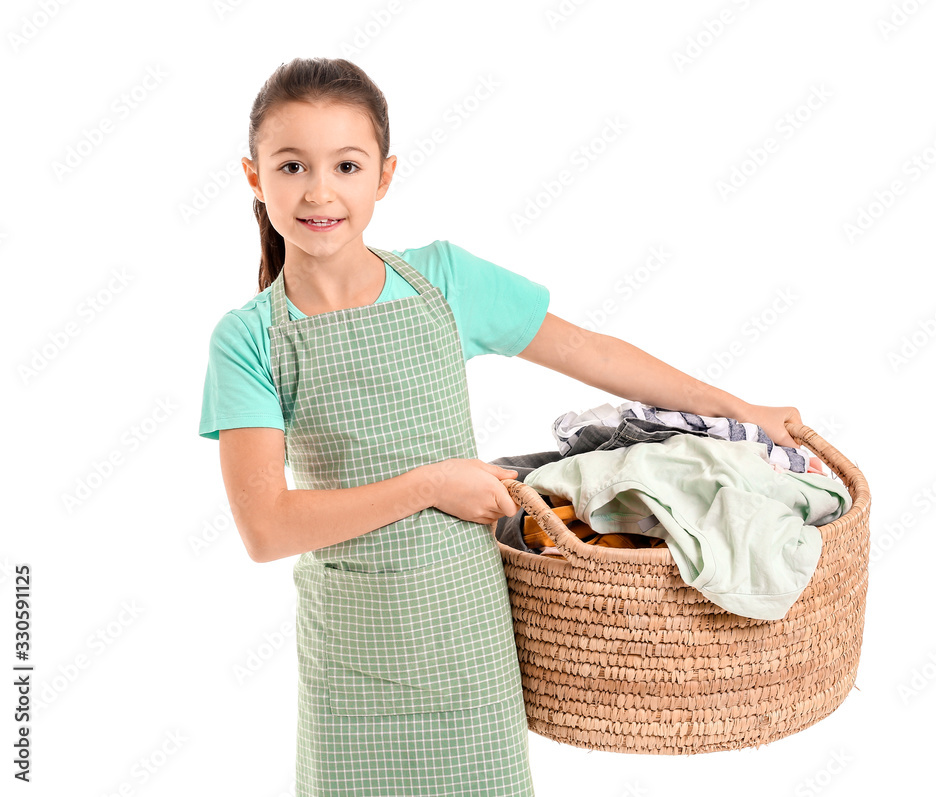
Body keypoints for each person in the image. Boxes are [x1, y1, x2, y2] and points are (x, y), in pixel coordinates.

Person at [198, 56, 803, 797]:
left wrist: (738, 410)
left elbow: (594, 353)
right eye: (292, 165)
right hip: (351, 654)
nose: (319, 190)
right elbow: (267, 526)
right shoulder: (249, 338)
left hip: (468, 642)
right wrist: (431, 483)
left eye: (346, 165)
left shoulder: (444, 282)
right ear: (254, 177)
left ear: (383, 177)